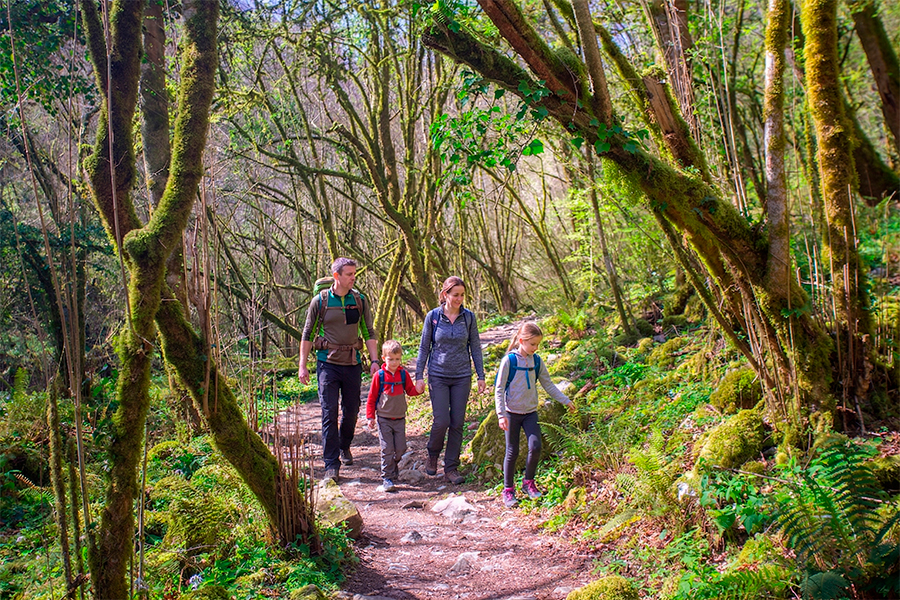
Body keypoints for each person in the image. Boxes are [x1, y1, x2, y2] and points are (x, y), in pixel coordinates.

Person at [299, 258, 379, 482]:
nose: (353, 278)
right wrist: (302, 365)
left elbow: (368, 331)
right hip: (327, 364)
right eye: (349, 274)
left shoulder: (359, 300)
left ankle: (344, 445)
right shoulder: (320, 301)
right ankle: (331, 464)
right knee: (329, 412)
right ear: (337, 276)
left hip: (352, 363)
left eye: (354, 274)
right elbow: (307, 333)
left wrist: (375, 360)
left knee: (351, 410)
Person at [495, 322, 575, 508]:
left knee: (536, 446)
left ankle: (528, 482)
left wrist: (565, 400)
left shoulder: (536, 361)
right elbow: (499, 388)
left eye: (538, 344)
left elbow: (548, 385)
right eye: (532, 344)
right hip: (512, 413)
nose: (535, 348)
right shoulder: (509, 361)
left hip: (530, 413)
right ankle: (508, 490)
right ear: (521, 341)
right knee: (512, 451)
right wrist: (501, 414)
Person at [415, 276, 486, 484]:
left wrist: (481, 375)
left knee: (457, 422)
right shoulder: (433, 317)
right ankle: (433, 454)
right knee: (442, 421)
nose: (459, 299)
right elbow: (424, 347)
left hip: (462, 376)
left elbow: (475, 347)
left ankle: (451, 468)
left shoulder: (468, 317)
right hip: (438, 375)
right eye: (455, 295)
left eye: (462, 295)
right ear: (445, 294)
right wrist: (419, 376)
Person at [366, 340, 422, 492]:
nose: (394, 362)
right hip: (383, 419)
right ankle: (387, 477)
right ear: (384, 358)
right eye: (391, 359)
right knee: (387, 449)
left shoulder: (403, 374)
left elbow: (410, 390)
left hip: (399, 418)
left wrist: (419, 390)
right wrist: (370, 417)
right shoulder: (379, 376)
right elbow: (371, 398)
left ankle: (394, 466)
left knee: (401, 449)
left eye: (397, 359)